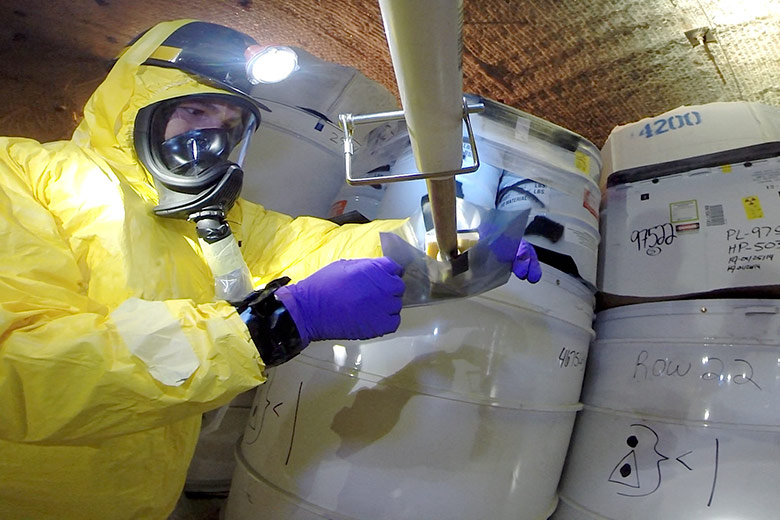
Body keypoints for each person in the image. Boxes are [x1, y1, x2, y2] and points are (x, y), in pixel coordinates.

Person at [0, 19, 541, 520]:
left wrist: (450, 245)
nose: (212, 138)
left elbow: (318, 248)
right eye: (195, 111)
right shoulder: (24, 177)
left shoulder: (218, 220)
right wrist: (272, 326)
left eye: (231, 123)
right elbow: (22, 367)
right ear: (137, 101)